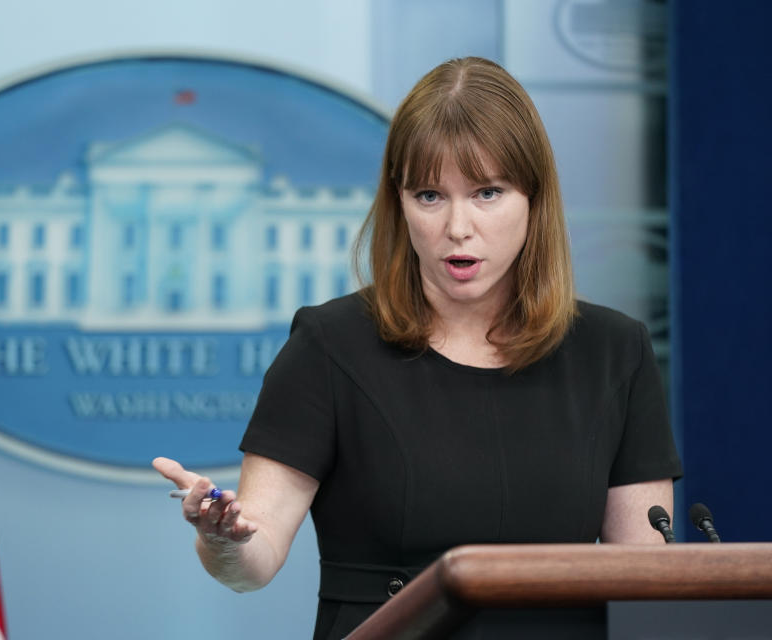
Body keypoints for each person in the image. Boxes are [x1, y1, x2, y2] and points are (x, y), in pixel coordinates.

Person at [153, 56, 682, 639]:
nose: (458, 227)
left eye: (487, 192)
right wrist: (220, 537)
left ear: (534, 199)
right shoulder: (330, 346)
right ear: (399, 203)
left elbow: (647, 580)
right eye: (430, 196)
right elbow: (251, 564)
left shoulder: (614, 352)